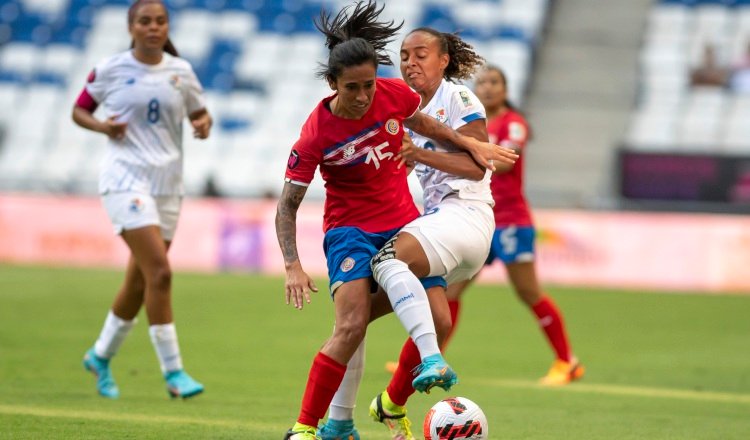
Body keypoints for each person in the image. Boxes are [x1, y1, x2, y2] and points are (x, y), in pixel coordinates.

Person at [276, 2, 517, 439]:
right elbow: (287, 205)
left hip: (404, 223)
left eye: (369, 84)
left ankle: (369, 411)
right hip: (350, 232)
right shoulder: (315, 133)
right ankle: (307, 428)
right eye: (353, 88)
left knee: (440, 322)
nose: (365, 96)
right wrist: (293, 263)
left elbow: (427, 124)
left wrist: (471, 144)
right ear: (333, 84)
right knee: (350, 326)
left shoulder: (392, 94)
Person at [318, 26, 496, 440]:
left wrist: (419, 154)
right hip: (437, 224)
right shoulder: (401, 103)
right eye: (404, 56)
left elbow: (476, 166)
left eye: (421, 54)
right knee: (362, 317)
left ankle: (427, 362)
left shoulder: (458, 98)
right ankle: (381, 406)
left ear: (444, 60)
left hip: (463, 215)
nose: (410, 63)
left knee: (384, 262)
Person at [72, 0, 212, 399]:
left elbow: (202, 113)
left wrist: (203, 123)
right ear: (131, 27)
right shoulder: (111, 69)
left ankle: (100, 356)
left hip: (168, 184)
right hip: (125, 180)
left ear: (168, 27)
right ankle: (174, 373)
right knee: (161, 273)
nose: (154, 27)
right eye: (145, 21)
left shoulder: (181, 72)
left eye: (160, 21)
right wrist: (103, 126)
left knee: (139, 281)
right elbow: (79, 110)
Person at [437, 65, 585, 387]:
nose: (487, 88)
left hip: (511, 221)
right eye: (482, 83)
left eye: (494, 82)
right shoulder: (475, 126)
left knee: (528, 292)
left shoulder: (513, 124)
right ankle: (431, 360)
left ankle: (567, 361)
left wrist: (466, 155)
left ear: (505, 89)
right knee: (452, 288)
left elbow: (505, 162)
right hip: (482, 220)